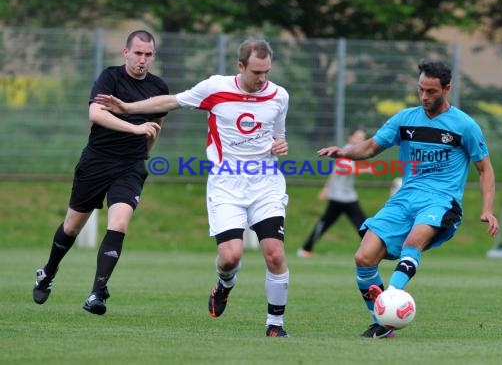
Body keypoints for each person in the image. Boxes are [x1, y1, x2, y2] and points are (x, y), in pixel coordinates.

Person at [94, 38, 291, 337]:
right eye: (256, 73)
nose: (263, 79)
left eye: (266, 72)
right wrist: (128, 107)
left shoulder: (279, 95)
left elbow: (278, 135)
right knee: (230, 257)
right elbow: (170, 101)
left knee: (274, 254)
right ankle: (225, 284)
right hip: (226, 183)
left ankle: (275, 325)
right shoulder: (215, 88)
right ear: (240, 66)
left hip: (265, 182)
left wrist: (280, 145)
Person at [317, 60, 499, 338]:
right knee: (364, 258)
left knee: (413, 242)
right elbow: (369, 148)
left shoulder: (465, 125)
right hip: (405, 198)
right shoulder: (405, 120)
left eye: (431, 92)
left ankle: (391, 298)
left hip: (440, 200)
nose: (424, 97)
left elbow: (485, 169)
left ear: (447, 89)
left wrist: (488, 209)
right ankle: (382, 322)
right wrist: (343, 152)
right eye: (421, 90)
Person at [32, 30, 169, 315]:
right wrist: (134, 127)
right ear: (126, 53)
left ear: (153, 56)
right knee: (72, 226)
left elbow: (155, 126)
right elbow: (96, 114)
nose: (142, 59)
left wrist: (144, 152)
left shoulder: (159, 87)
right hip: (97, 161)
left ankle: (97, 293)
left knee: (118, 224)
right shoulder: (110, 78)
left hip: (130, 167)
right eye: (138, 53)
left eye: (148, 54)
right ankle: (48, 271)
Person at [297, 127, 369, 258]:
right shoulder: (346, 152)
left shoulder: (352, 152)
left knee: (328, 223)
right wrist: (366, 170)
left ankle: (305, 249)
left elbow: (334, 173)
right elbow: (347, 170)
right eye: (358, 137)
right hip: (341, 197)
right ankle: (372, 250)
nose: (361, 140)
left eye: (362, 138)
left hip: (345, 196)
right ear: (350, 137)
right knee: (363, 225)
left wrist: (326, 188)